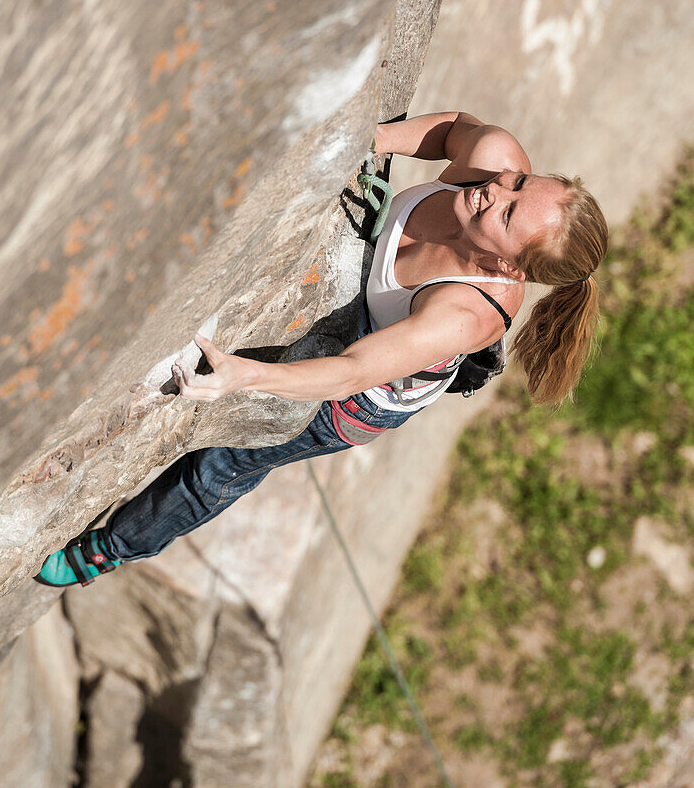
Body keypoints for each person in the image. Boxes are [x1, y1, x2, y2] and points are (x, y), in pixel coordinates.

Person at [35, 111, 608, 588]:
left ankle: (111, 548)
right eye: (518, 186)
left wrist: (241, 377)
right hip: (373, 319)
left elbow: (350, 373)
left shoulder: (462, 313)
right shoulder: (496, 159)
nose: (494, 189)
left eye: (507, 213)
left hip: (366, 393)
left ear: (508, 268)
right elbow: (452, 130)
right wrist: (372, 137)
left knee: (230, 458)